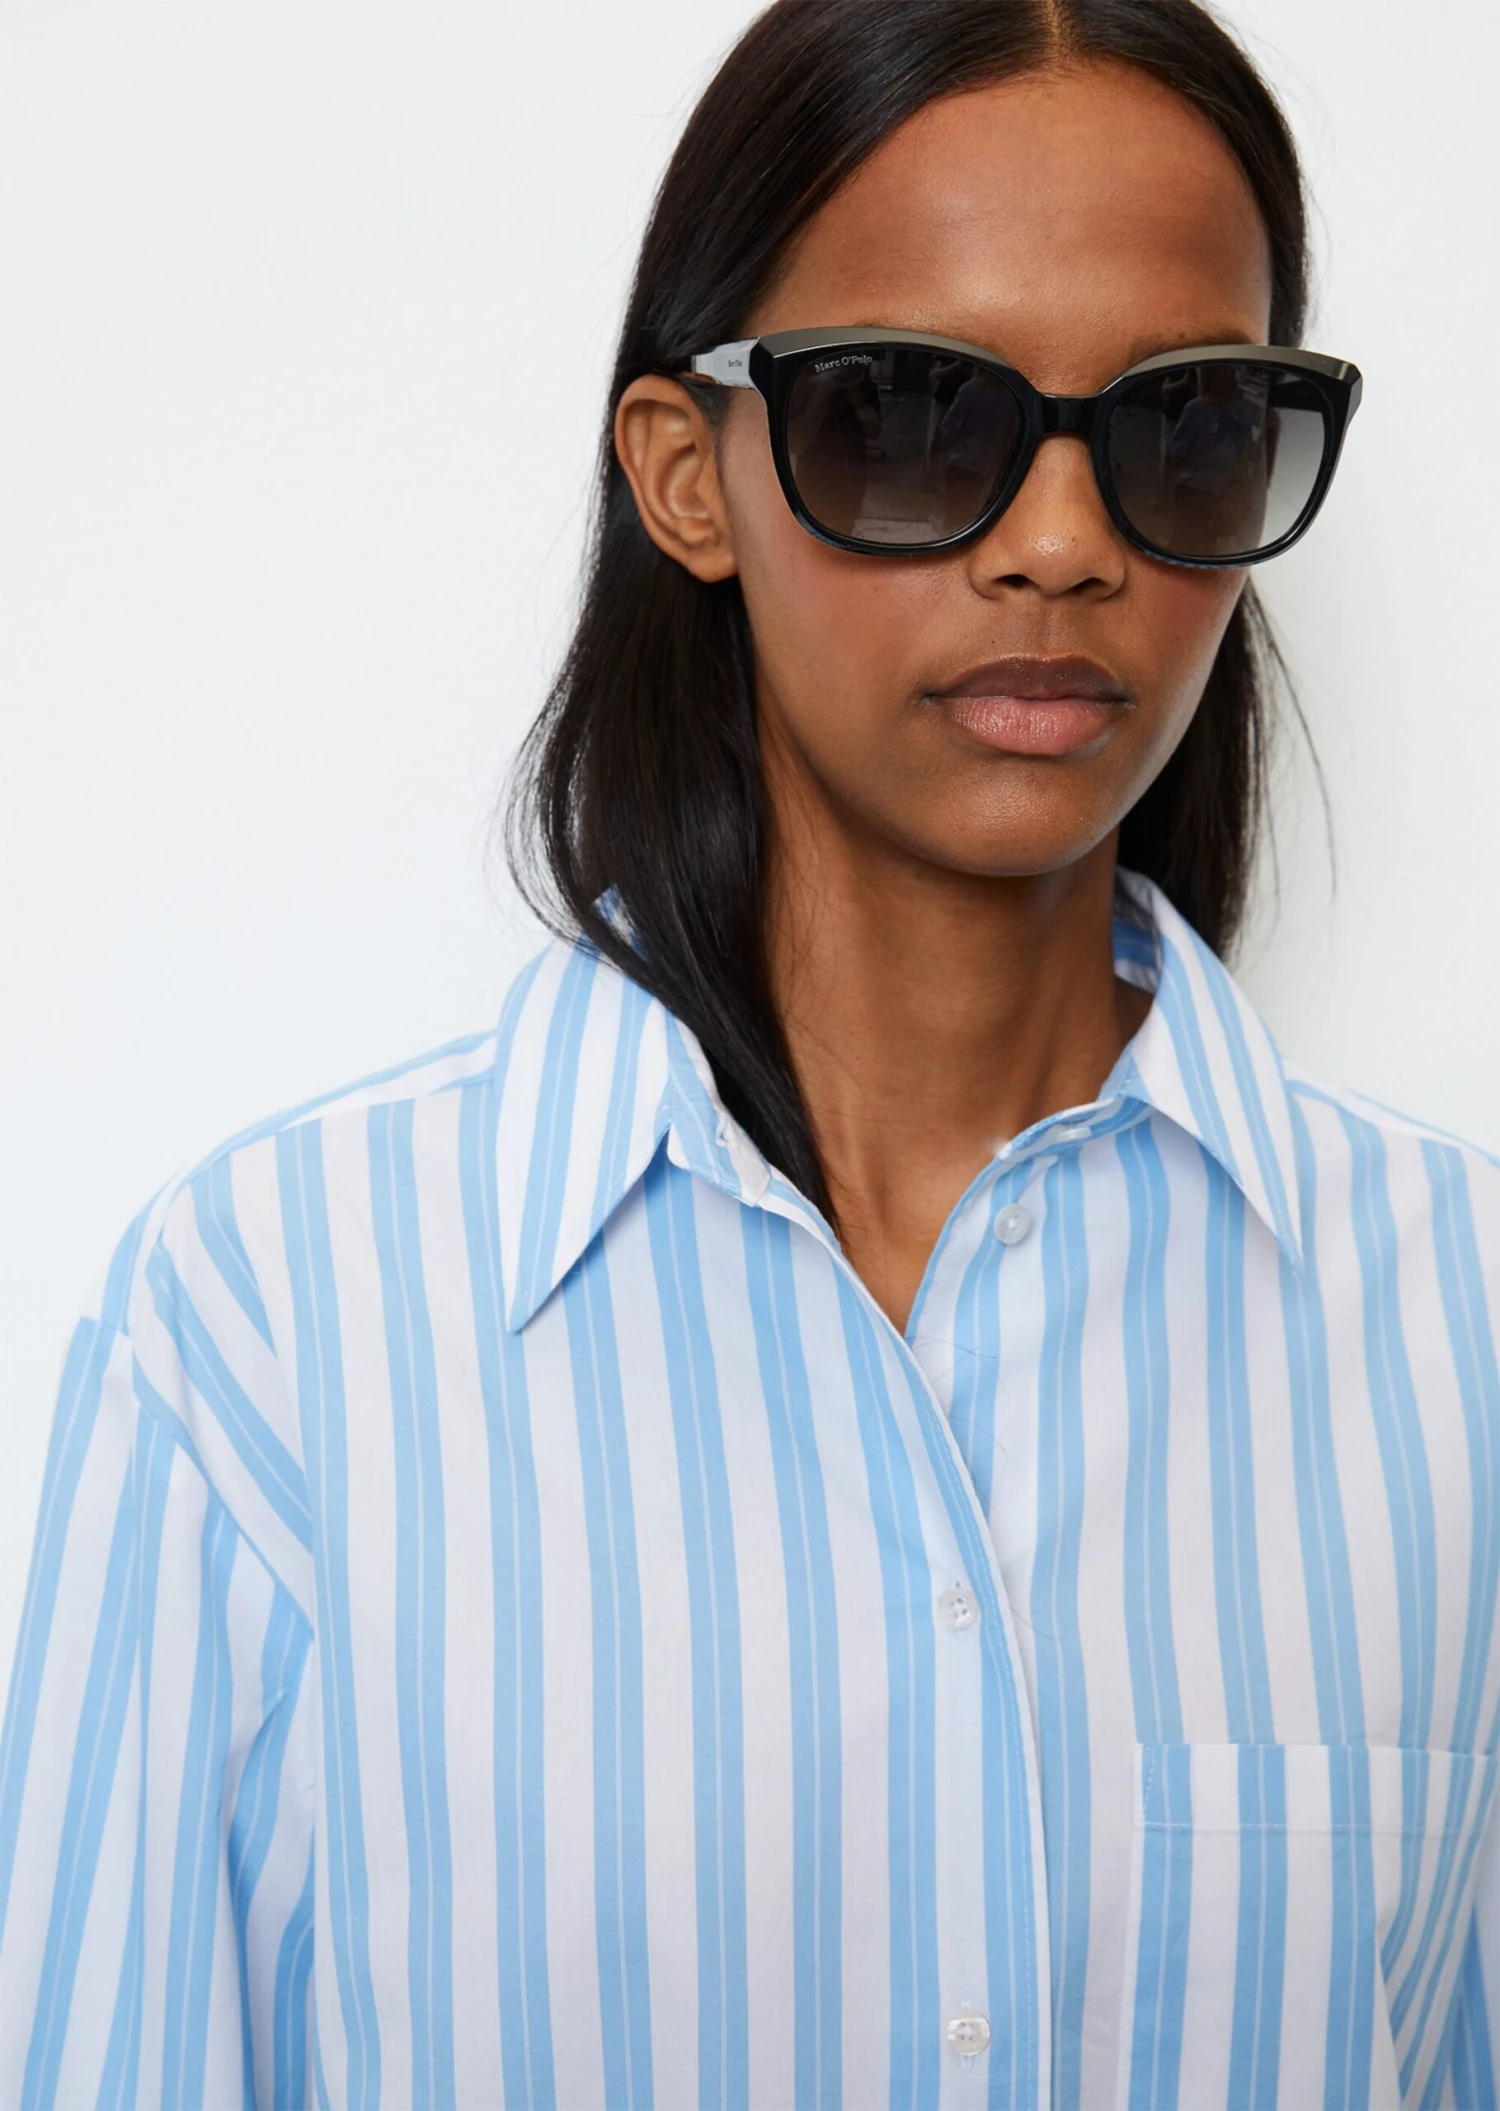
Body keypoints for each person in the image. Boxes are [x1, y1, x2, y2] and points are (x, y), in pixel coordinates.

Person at [1, 0, 1495, 2104]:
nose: (1063, 542)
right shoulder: (269, 1332)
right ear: (688, 474)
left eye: (1187, 426)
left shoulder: (1460, 1325)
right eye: (911, 412)